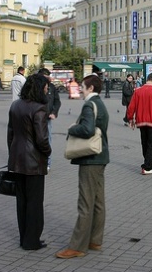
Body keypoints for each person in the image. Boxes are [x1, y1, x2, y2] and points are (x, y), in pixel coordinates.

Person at [55, 74, 109, 259]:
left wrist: (71, 128)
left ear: (91, 89)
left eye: (83, 87)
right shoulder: (100, 104)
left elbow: (87, 130)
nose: (80, 89)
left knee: (85, 203)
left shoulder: (89, 105)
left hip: (90, 159)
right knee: (98, 202)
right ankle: (95, 240)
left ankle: (77, 247)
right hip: (101, 157)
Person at [7, 74, 51, 250]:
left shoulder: (15, 105)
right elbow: (41, 139)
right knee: (34, 202)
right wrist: (48, 152)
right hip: (33, 162)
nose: (47, 90)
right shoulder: (39, 109)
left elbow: (10, 134)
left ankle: (23, 237)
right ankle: (32, 240)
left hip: (17, 160)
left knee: (22, 202)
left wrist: (12, 152)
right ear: (40, 88)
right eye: (46, 87)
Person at [126, 73, 152, 175]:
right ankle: (147, 167)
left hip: (141, 121)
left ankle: (148, 161)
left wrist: (130, 119)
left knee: (144, 143)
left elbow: (131, 107)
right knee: (151, 144)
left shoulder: (138, 91)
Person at [38, 68, 61, 172]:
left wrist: (54, 112)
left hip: (47, 118)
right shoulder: (36, 87)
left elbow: (57, 101)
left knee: (48, 140)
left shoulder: (51, 87)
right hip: (37, 117)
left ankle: (47, 162)